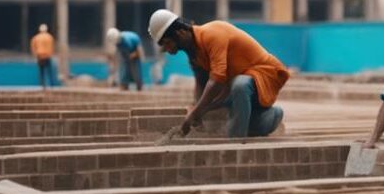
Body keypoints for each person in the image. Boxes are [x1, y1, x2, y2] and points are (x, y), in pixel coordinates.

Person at [148, 9, 288, 138]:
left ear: (180, 33)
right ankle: (271, 115)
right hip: (236, 83)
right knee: (219, 106)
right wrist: (197, 112)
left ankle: (236, 142)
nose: (166, 49)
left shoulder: (212, 34)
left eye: (167, 43)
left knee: (240, 85)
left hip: (264, 73)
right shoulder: (193, 54)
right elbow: (201, 83)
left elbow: (217, 80)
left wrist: (196, 112)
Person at [107, 27, 144, 91]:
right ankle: (124, 85)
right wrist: (113, 69)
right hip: (126, 54)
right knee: (123, 69)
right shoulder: (117, 43)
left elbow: (139, 52)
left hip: (134, 51)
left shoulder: (127, 41)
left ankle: (139, 86)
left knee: (136, 71)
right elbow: (115, 56)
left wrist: (134, 56)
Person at [30, 24, 56, 89]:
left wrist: (35, 54)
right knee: (49, 71)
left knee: (42, 72)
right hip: (47, 56)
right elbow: (52, 47)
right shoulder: (49, 37)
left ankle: (43, 85)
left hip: (40, 56)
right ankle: (51, 85)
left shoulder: (36, 37)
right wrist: (50, 54)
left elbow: (33, 47)